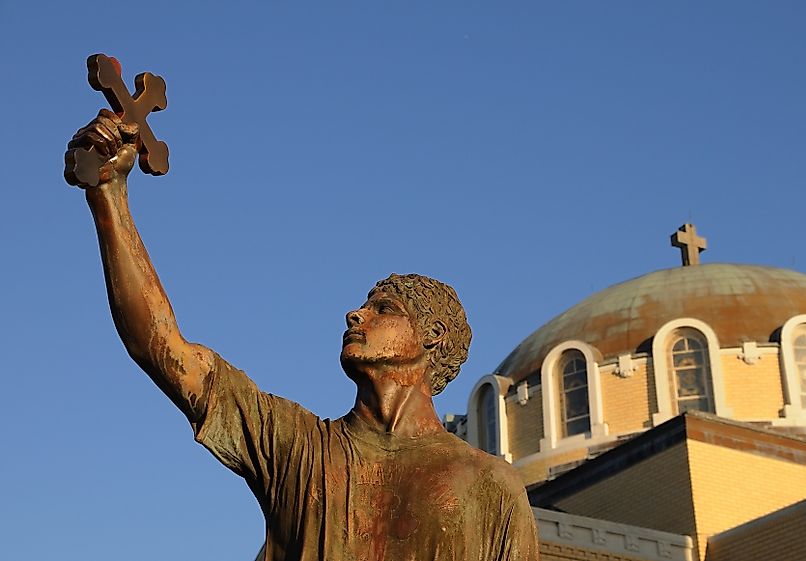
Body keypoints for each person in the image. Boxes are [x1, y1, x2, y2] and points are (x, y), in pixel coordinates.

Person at [67, 110, 539, 561]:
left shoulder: (490, 486)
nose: (356, 315)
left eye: (383, 309)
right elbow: (163, 348)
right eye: (364, 305)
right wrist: (110, 197)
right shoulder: (298, 448)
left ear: (432, 335)